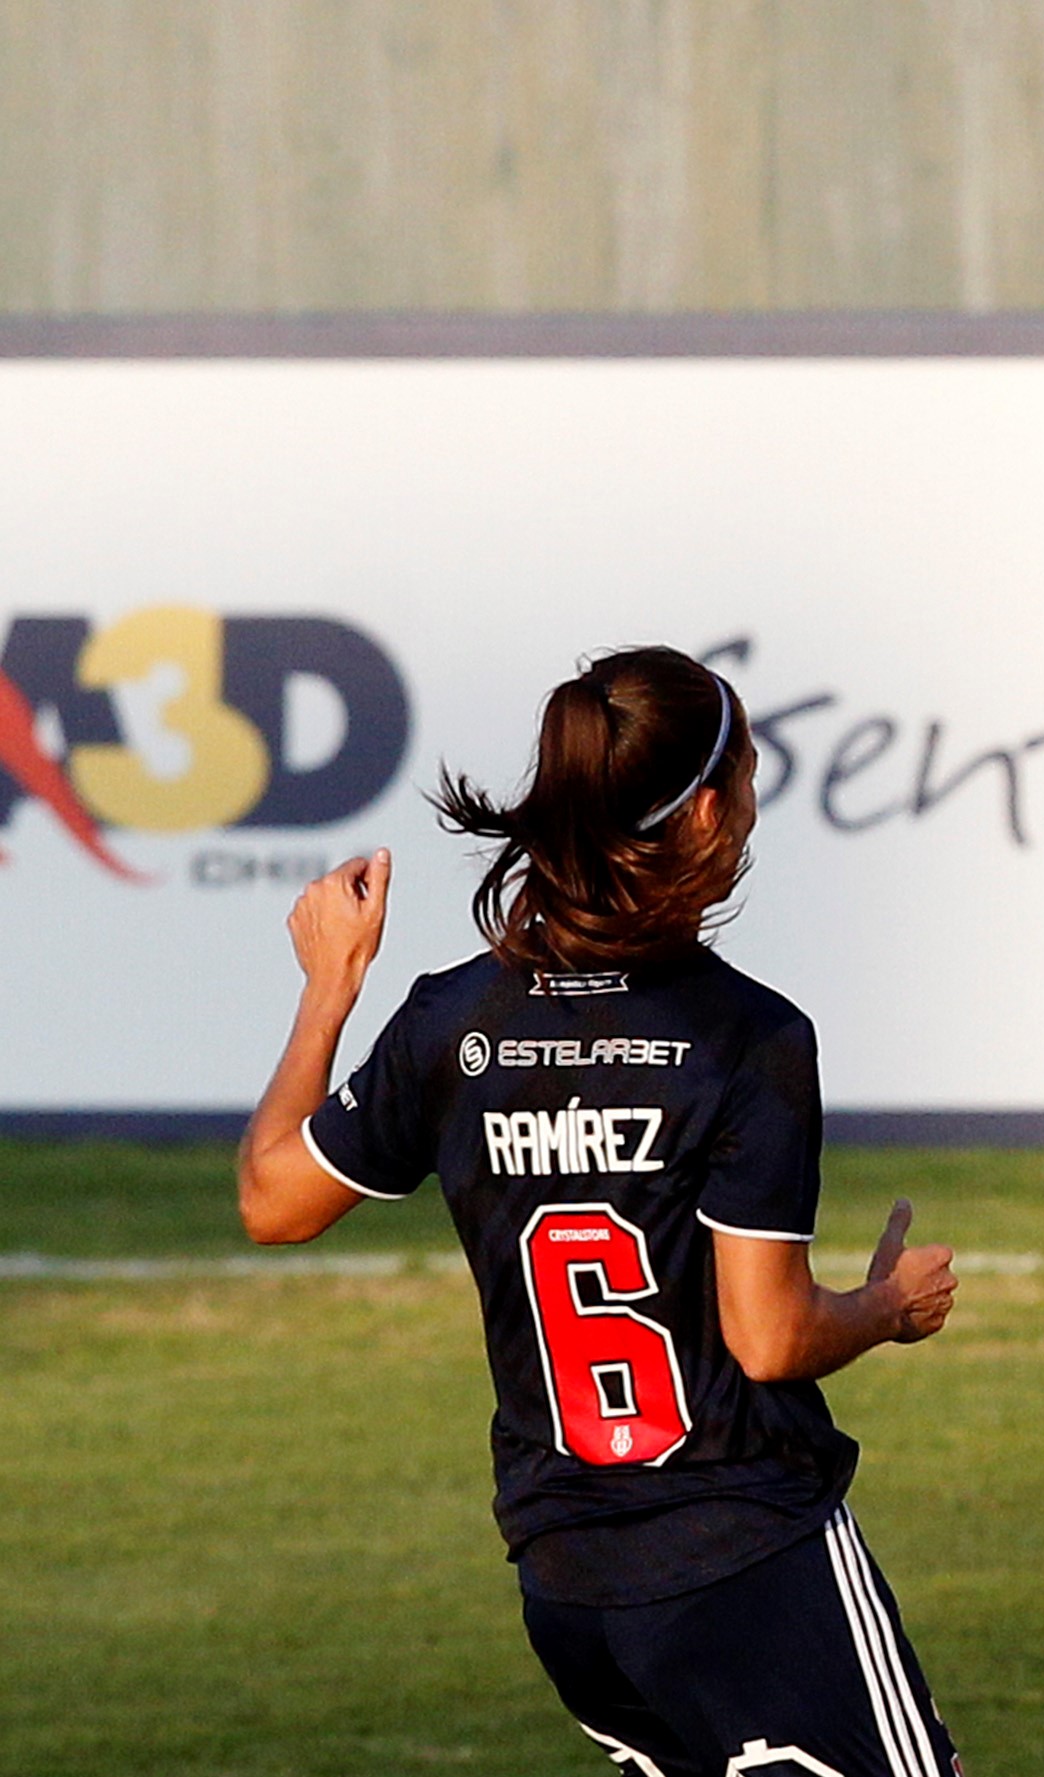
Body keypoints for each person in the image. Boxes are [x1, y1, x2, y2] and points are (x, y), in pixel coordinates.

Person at [234, 646, 965, 1777]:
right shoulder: (748, 1038)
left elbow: (272, 1198)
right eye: (750, 776)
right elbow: (769, 1337)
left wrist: (330, 987)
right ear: (710, 811)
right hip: (747, 1562)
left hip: (570, 1584)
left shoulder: (451, 1024)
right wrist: (887, 1306)